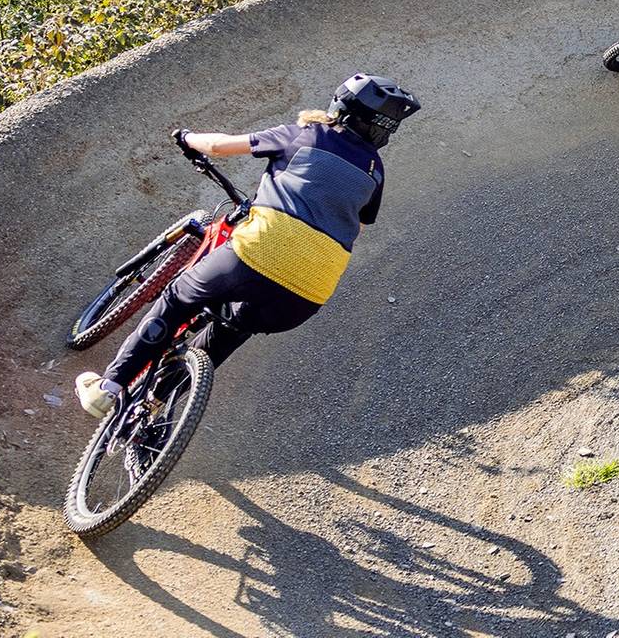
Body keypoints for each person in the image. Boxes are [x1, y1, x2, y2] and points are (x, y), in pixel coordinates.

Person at [74, 74, 421, 417]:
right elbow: (356, 226)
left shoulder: (307, 133)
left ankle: (109, 389)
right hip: (309, 291)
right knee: (230, 331)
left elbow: (219, 147)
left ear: (341, 106)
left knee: (178, 298)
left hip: (260, 251)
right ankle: (153, 409)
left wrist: (188, 137)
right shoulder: (375, 171)